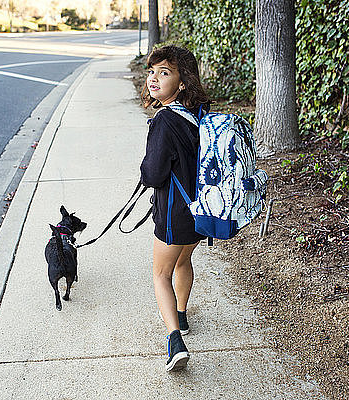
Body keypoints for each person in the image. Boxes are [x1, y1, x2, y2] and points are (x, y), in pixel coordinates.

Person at [139, 45, 209, 372]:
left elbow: (153, 174)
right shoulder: (200, 113)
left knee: (160, 273)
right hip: (204, 209)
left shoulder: (165, 120)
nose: (154, 78)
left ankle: (174, 340)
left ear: (182, 82)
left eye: (164, 72)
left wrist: (145, 167)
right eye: (152, 71)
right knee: (184, 260)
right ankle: (181, 315)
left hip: (173, 213)